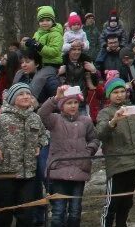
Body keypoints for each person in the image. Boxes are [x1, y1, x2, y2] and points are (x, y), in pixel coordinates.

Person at [0, 83, 49, 226]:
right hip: (6, 174)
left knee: (27, 215)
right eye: (21, 94)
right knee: (4, 214)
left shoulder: (35, 118)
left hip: (28, 174)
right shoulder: (2, 119)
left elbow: (44, 134)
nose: (26, 96)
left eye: (28, 94)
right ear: (12, 98)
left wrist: (39, 145)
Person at [40, 86, 98, 227]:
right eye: (68, 103)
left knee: (75, 210)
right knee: (58, 210)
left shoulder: (86, 121)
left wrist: (88, 152)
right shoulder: (55, 120)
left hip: (79, 171)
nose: (73, 106)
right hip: (59, 171)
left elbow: (94, 139)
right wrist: (56, 98)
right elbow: (42, 114)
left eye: (75, 102)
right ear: (61, 105)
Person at [95, 78, 135, 227]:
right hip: (117, 165)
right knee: (112, 203)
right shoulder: (105, 113)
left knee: (126, 202)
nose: (119, 95)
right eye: (115, 92)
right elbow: (100, 134)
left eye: (122, 91)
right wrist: (114, 121)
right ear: (109, 95)